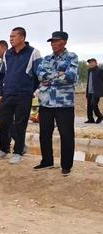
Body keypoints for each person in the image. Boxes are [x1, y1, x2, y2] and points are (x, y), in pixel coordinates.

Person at [0, 27, 41, 164]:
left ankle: (18, 152)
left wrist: (33, 92)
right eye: (10, 36)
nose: (11, 39)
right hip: (8, 94)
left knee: (20, 124)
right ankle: (3, 149)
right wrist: (1, 93)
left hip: (24, 95)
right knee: (4, 123)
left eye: (14, 36)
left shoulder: (33, 53)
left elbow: (39, 75)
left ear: (22, 38)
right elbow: (2, 75)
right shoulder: (8, 54)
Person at [35, 32, 79, 176]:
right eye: (51, 41)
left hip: (64, 104)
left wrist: (50, 78)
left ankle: (66, 165)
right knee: (44, 134)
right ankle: (47, 161)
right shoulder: (46, 58)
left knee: (66, 135)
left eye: (56, 41)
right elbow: (40, 75)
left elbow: (70, 77)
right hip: (46, 102)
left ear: (64, 42)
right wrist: (58, 74)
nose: (53, 44)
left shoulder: (72, 57)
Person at [85, 58, 103, 124]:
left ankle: (100, 116)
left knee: (93, 104)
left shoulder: (100, 71)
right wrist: (87, 92)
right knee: (89, 105)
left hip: (96, 92)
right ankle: (90, 119)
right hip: (89, 91)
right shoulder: (89, 71)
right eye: (89, 63)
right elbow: (88, 83)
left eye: (92, 62)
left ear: (96, 63)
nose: (91, 64)